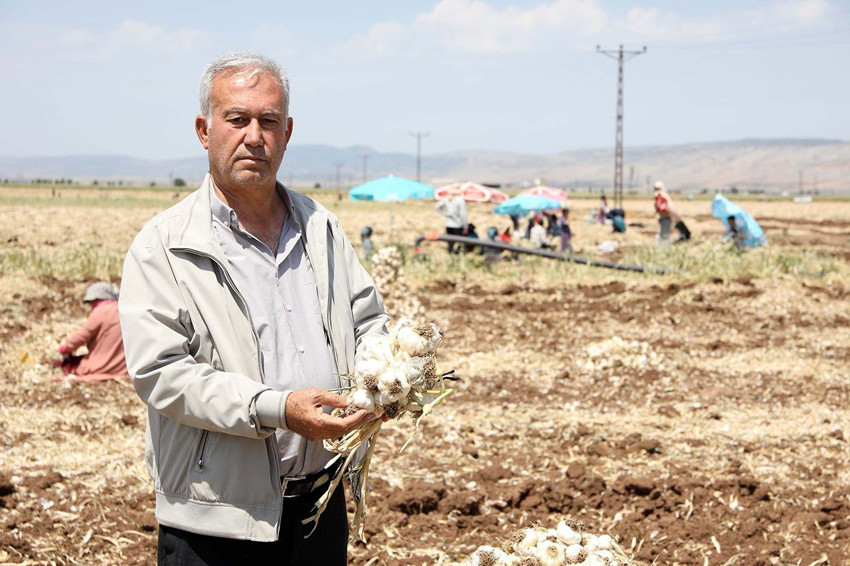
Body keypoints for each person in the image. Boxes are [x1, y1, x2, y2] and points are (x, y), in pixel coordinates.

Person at [118, 52, 388, 565]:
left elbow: (368, 319)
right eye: (237, 119)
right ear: (204, 129)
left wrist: (384, 376)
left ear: (287, 132)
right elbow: (162, 374)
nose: (254, 136)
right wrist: (280, 409)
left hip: (318, 505)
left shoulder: (319, 227)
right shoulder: (164, 245)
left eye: (268, 121)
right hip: (216, 518)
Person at [55, 281, 128, 382]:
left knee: (69, 365)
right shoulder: (124, 311)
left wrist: (65, 348)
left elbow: (83, 336)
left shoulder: (102, 311)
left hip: (103, 365)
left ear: (97, 298)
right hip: (123, 367)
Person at [435, 187, 467, 253]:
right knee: (462, 241)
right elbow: (463, 214)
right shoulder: (460, 200)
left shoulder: (446, 199)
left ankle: (450, 254)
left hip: (448, 225)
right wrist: (465, 226)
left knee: (450, 241)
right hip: (458, 225)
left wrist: (446, 213)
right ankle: (459, 254)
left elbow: (437, 207)